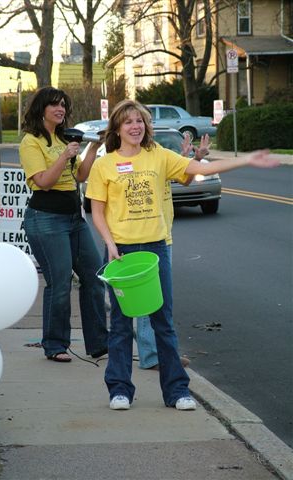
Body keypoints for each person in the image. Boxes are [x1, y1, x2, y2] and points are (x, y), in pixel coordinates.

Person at [86, 99, 279, 411]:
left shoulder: (159, 156)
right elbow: (97, 210)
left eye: (140, 121)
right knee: (122, 323)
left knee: (163, 321)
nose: (136, 126)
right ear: (117, 129)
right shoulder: (104, 164)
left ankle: (177, 391)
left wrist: (246, 160)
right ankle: (119, 390)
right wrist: (109, 244)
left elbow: (201, 169)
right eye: (129, 122)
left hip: (156, 249)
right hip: (121, 253)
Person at [19, 86, 108, 363]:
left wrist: (92, 148)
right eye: (54, 105)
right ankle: (55, 344)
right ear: (41, 109)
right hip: (45, 219)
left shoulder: (64, 137)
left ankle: (99, 344)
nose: (61, 110)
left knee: (94, 277)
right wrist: (63, 157)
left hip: (74, 219)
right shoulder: (31, 142)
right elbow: (43, 182)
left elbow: (80, 175)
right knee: (60, 283)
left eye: (63, 106)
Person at [135, 133, 211, 371]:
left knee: (160, 302)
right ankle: (153, 356)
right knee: (149, 301)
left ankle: (159, 354)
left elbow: (184, 177)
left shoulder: (159, 156)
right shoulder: (142, 160)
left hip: (163, 235)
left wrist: (193, 157)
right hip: (145, 238)